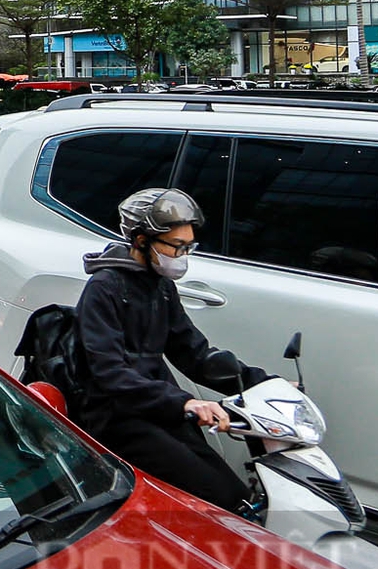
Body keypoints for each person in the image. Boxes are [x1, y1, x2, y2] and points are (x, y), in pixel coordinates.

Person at [70, 188, 268, 512]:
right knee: (216, 499)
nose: (182, 256)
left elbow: (194, 353)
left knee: (237, 497)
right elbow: (110, 374)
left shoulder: (161, 287)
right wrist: (186, 401)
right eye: (176, 246)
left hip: (161, 410)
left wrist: (260, 384)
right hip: (118, 417)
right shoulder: (103, 288)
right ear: (141, 240)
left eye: (188, 247)